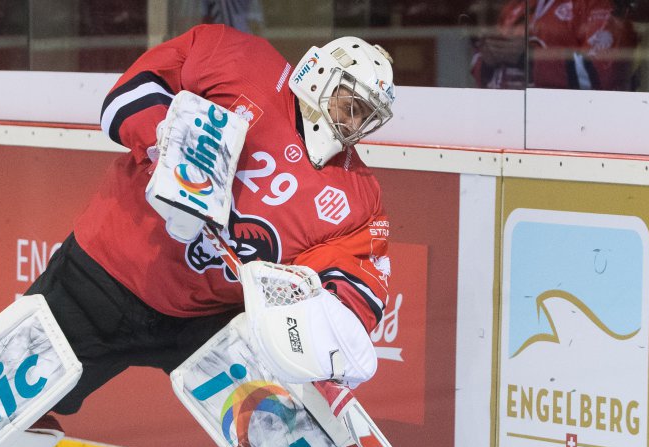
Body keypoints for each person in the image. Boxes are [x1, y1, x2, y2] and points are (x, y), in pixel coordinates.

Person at [26, 23, 395, 417]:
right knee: (21, 401)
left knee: (273, 423)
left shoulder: (358, 196)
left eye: (366, 116)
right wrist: (164, 138)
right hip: (105, 275)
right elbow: (130, 92)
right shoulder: (238, 58)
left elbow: (358, 281)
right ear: (319, 74)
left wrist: (328, 331)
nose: (354, 123)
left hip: (206, 324)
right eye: (351, 105)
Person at [472, 0, 639, 90]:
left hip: (567, 127)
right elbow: (477, 64)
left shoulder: (599, 5)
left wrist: (529, 57)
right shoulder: (516, 6)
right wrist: (489, 59)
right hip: (507, 123)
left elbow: (603, 74)